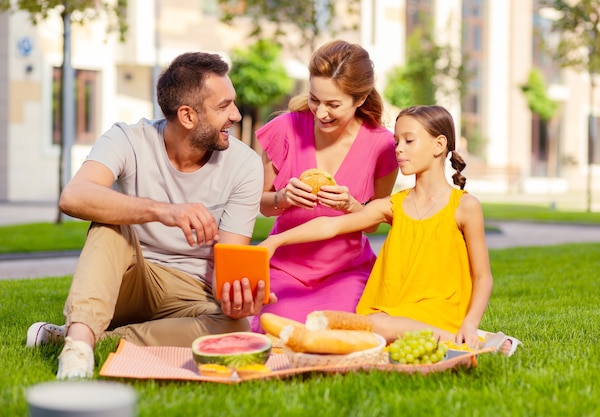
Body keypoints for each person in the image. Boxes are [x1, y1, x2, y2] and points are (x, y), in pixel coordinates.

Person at [26, 52, 275, 380]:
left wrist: (236, 297)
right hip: (129, 278)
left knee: (234, 326)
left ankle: (86, 335)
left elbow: (228, 264)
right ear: (187, 115)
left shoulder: (244, 164)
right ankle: (77, 355)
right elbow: (74, 196)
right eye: (223, 106)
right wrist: (163, 211)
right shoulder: (128, 139)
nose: (236, 115)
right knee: (109, 222)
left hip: (192, 290)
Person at [259, 105, 520, 354]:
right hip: (391, 310)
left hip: (440, 309)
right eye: (396, 142)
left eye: (409, 141)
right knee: (365, 327)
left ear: (439, 145)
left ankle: (471, 339)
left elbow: (483, 277)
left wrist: (470, 323)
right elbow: (331, 224)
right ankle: (456, 341)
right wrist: (276, 241)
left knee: (368, 327)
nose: (398, 150)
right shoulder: (393, 205)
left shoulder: (465, 207)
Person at [252, 40, 399, 329]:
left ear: (359, 99)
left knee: (336, 331)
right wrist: (283, 197)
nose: (321, 113)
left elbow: (371, 224)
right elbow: (262, 205)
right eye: (315, 100)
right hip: (285, 269)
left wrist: (351, 206)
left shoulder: (382, 145)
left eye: (333, 104)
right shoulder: (286, 128)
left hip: (346, 272)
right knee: (276, 331)